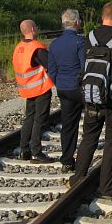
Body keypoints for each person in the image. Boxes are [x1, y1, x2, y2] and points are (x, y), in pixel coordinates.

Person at [68, 2, 112, 199]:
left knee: (89, 137)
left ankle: (77, 177)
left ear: (102, 17)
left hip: (92, 96)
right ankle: (108, 188)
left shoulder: (89, 38)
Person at [12, 19, 55, 164]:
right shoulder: (37, 47)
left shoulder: (19, 47)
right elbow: (50, 64)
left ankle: (24, 149)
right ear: (32, 29)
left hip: (27, 89)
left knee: (29, 118)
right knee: (39, 120)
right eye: (36, 26)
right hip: (40, 89)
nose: (37, 28)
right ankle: (36, 151)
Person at [48, 9, 85, 172]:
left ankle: (67, 160)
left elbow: (52, 69)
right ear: (77, 23)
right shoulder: (80, 42)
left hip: (63, 88)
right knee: (92, 122)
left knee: (68, 124)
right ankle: (85, 156)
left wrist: (59, 82)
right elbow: (85, 66)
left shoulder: (54, 44)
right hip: (79, 88)